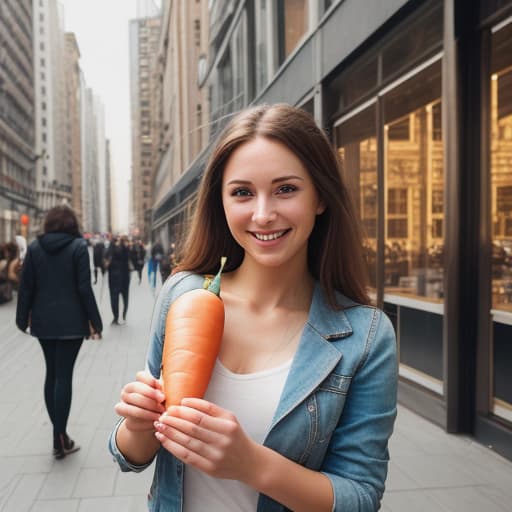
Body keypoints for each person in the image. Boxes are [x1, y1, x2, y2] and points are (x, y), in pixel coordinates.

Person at [109, 104, 397, 511]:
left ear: (320, 197)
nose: (263, 214)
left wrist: (251, 464)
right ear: (221, 201)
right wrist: (137, 426)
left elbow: (361, 497)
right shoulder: (182, 295)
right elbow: (132, 455)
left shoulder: (367, 336)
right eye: (243, 192)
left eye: (286, 189)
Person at [16, 205, 102, 460]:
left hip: (43, 323)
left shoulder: (34, 248)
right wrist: (95, 322)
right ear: (71, 224)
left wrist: (22, 319)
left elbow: (26, 287)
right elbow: (84, 288)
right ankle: (60, 437)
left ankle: (59, 436)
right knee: (63, 377)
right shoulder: (78, 248)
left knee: (51, 374)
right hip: (72, 324)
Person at [105, 235, 131, 324]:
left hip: (114, 278)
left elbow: (105, 262)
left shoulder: (110, 249)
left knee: (114, 298)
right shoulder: (124, 248)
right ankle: (123, 315)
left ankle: (116, 317)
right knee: (125, 297)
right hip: (124, 277)